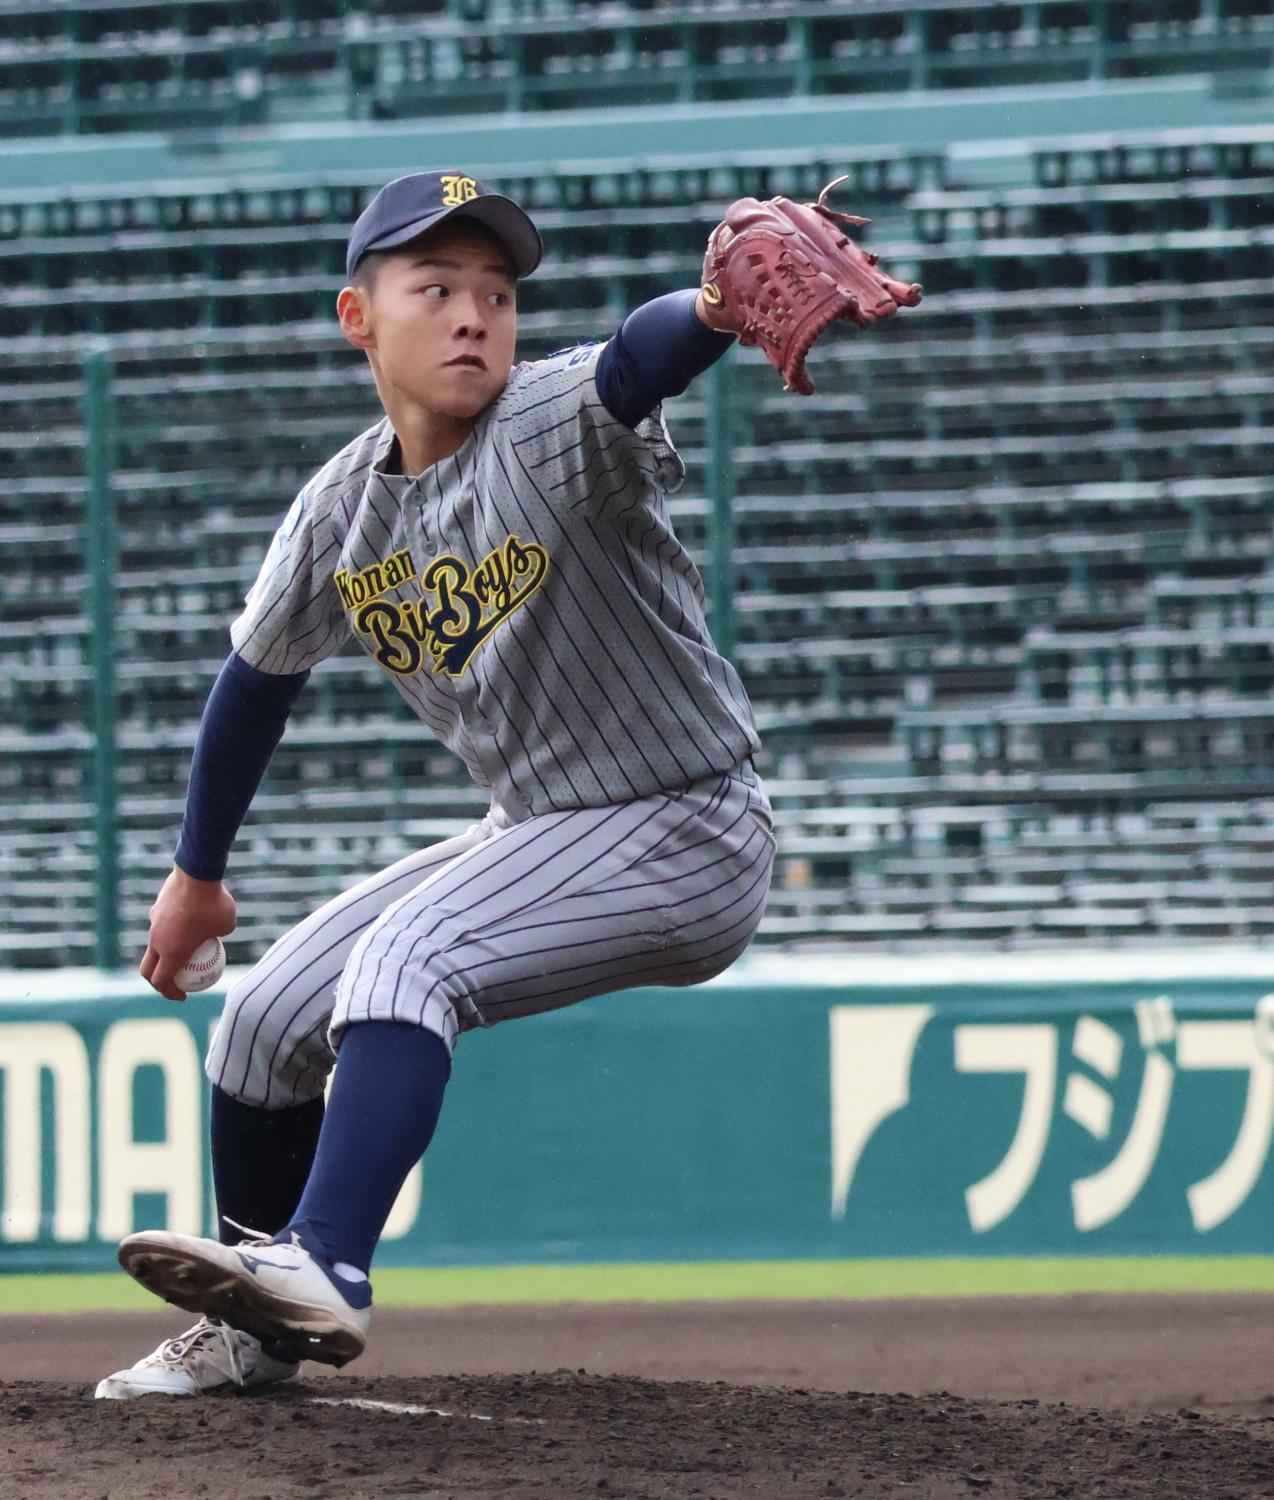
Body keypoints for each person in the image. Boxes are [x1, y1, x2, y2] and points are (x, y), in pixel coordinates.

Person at [95, 169, 777, 1399]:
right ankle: (258, 1331)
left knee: (404, 958)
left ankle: (328, 1269)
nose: (475, 316)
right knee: (261, 1024)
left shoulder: (548, 423)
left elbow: (635, 360)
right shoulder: (341, 509)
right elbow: (254, 681)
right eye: (437, 288)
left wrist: (717, 309)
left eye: (498, 294)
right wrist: (195, 878)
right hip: (541, 826)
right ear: (360, 319)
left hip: (685, 823)